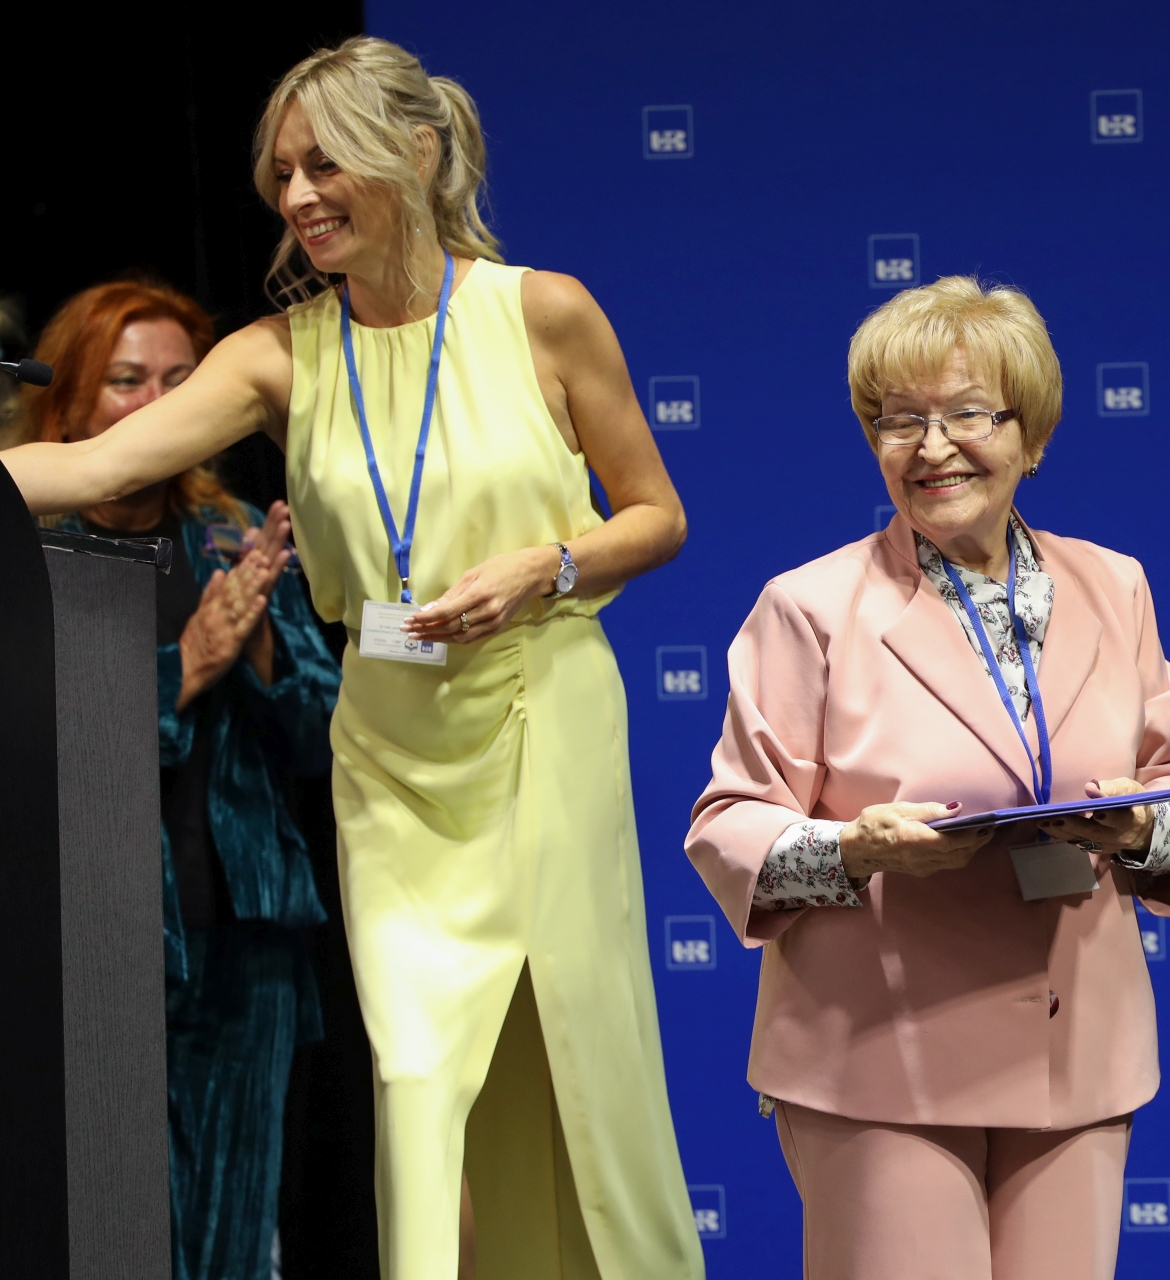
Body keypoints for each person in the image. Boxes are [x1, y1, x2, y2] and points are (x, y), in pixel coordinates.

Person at [2, 37, 704, 1280]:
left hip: (541, 712)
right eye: (282, 172)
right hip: (390, 751)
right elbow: (97, 465)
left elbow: (655, 515)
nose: (298, 195)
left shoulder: (542, 311)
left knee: (574, 1056)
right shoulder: (280, 352)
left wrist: (545, 566)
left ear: (418, 152)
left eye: (325, 163)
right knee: (419, 1079)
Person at [687, 275, 1170, 1279]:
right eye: (900, 421)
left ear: (1032, 435)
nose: (932, 448)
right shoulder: (809, 606)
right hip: (880, 1055)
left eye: (968, 414)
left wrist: (1135, 830)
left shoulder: (1116, 584)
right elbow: (730, 820)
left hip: (1078, 1045)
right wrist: (854, 848)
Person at [24, 278, 339, 1280]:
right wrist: (184, 669)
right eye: (127, 380)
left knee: (236, 1237)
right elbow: (36, 752)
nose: (157, 404)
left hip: (245, 940)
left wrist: (257, 647)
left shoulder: (232, 531)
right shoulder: (33, 546)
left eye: (180, 381)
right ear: (69, 400)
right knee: (108, 1230)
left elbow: (324, 734)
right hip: (87, 942)